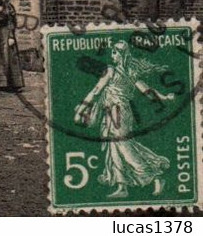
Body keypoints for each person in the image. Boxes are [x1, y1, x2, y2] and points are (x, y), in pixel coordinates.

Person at [74, 40, 174, 199]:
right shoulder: (131, 72)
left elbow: (96, 91)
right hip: (114, 112)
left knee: (124, 146)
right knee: (114, 147)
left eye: (114, 52)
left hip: (118, 113)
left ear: (121, 55)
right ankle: (122, 187)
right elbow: (147, 91)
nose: (112, 55)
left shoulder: (111, 71)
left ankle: (154, 176)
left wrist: (81, 108)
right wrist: (164, 97)